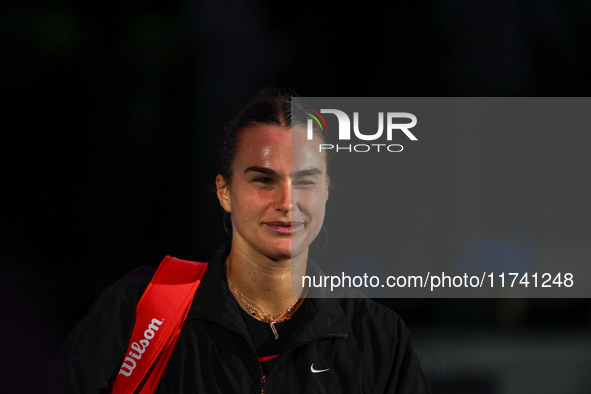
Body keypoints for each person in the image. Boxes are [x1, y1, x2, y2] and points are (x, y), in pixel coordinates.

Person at [41, 87, 431, 393]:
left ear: (326, 191)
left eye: (305, 181)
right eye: (264, 179)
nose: (286, 202)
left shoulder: (377, 336)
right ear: (224, 191)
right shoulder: (137, 310)